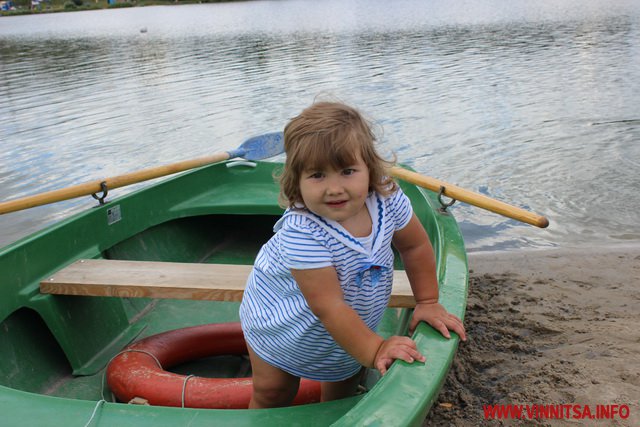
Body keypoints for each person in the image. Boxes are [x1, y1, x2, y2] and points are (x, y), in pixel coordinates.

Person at [239, 101, 466, 408]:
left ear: (369, 170)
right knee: (274, 392)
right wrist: (375, 350)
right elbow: (330, 306)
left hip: (353, 319)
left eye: (347, 171)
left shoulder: (386, 198)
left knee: (343, 383)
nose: (335, 188)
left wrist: (427, 302)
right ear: (296, 181)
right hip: (283, 325)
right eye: (317, 175)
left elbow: (414, 246)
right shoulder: (303, 232)